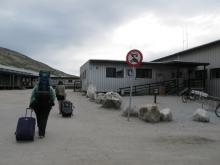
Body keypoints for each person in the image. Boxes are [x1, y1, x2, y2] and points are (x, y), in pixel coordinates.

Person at [29, 71, 55, 138]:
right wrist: (51, 103)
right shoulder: (50, 88)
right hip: (47, 105)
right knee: (44, 118)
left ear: (39, 79)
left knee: (38, 116)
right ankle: (41, 134)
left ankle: (39, 127)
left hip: (37, 104)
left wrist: (31, 105)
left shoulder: (36, 87)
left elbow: (32, 96)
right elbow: (53, 96)